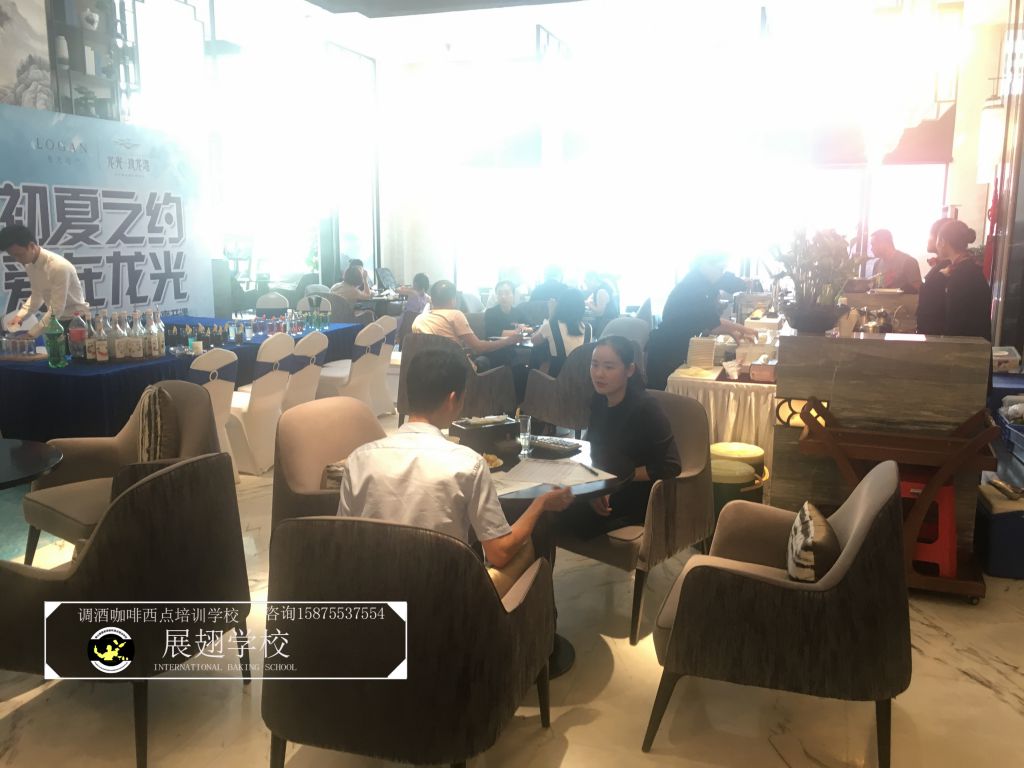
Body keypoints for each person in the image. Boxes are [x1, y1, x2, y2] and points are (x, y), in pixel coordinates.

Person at [338, 347, 574, 588]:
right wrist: (540, 504)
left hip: (373, 591)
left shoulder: (359, 459)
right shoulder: (468, 463)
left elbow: (344, 541)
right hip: (443, 596)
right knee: (530, 543)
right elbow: (499, 553)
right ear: (453, 399)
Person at [546, 337, 681, 542]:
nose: (599, 374)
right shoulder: (599, 400)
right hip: (604, 485)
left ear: (629, 370)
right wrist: (593, 488)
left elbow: (671, 465)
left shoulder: (646, 408)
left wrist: (610, 484)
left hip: (634, 494)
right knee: (546, 502)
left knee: (553, 514)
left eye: (609, 367)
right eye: (594, 365)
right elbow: (593, 449)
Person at [646, 252, 757, 390]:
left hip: (676, 346)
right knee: (664, 397)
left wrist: (733, 332)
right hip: (666, 351)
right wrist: (743, 329)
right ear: (704, 264)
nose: (721, 273)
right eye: (720, 268)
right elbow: (712, 323)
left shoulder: (703, 282)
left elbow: (706, 322)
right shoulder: (693, 287)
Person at [0, 222, 89, 336]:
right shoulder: (30, 265)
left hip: (76, 321)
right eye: (13, 256)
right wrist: (20, 317)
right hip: (56, 320)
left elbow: (57, 309)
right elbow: (37, 295)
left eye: (19, 254)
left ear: (32, 246)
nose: (17, 259)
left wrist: (32, 334)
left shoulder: (58, 267)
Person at [412, 279, 517, 370]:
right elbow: (479, 347)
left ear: (432, 299)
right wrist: (508, 341)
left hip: (429, 371)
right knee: (487, 362)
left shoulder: (419, 319)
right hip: (456, 372)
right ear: (453, 299)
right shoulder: (455, 315)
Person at [937, 220, 991, 340]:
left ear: (943, 241)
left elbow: (954, 324)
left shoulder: (960, 276)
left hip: (966, 347)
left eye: (937, 239)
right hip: (978, 345)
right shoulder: (970, 268)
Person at [531, 288, 592, 376]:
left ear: (560, 306)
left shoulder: (551, 326)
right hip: (581, 379)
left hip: (556, 379)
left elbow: (534, 341)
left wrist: (551, 315)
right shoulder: (588, 328)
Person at [917, 217, 953, 335]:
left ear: (940, 238)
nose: (927, 239)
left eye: (930, 235)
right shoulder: (942, 265)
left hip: (938, 337)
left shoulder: (949, 268)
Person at [584, 272, 619, 336]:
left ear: (593, 279)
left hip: (606, 323)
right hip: (606, 322)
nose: (586, 285)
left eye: (586, 282)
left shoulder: (601, 291)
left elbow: (600, 312)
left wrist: (587, 303)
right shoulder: (600, 289)